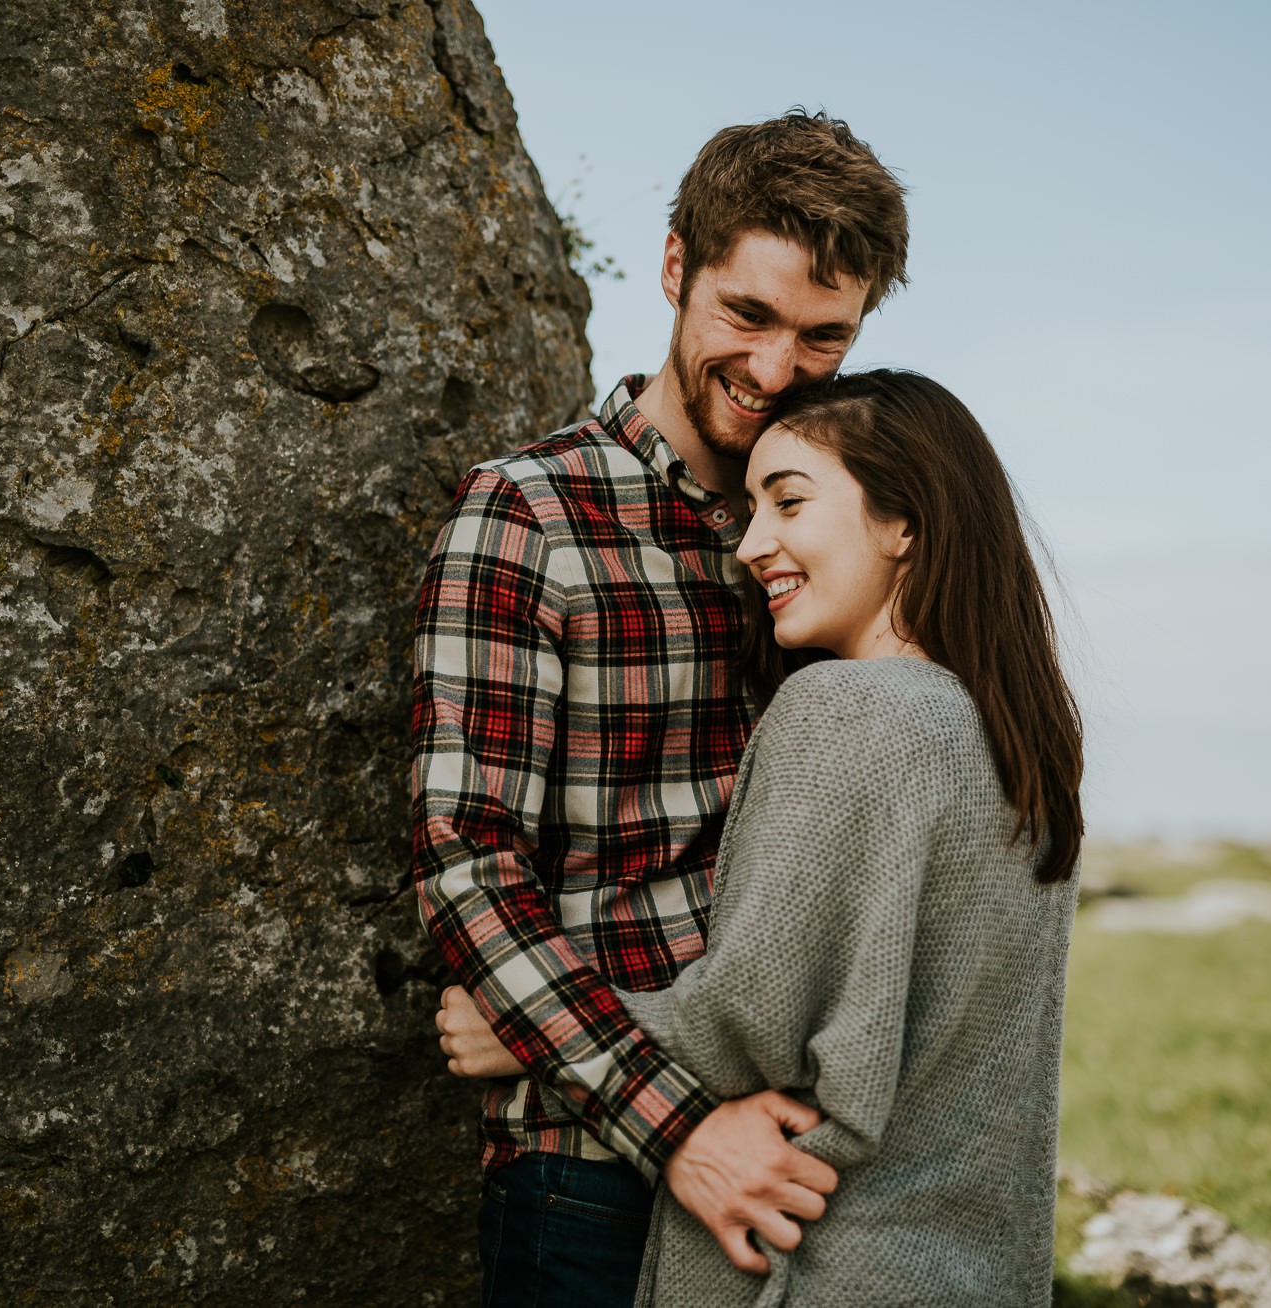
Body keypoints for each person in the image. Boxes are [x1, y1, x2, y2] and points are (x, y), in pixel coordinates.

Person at [442, 369, 1086, 1305]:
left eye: (789, 501)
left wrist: (527, 1028)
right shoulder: (1016, 741)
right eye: (750, 508)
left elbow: (752, 1029)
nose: (751, 545)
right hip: (967, 1269)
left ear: (903, 522)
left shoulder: (841, 708)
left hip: (821, 1263)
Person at [409, 111, 909, 1306]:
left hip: (808, 1153)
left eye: (822, 337)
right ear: (677, 265)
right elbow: (466, 865)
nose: (777, 370)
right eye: (747, 315)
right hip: (593, 1169)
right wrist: (679, 1123)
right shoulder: (529, 514)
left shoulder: (845, 530)